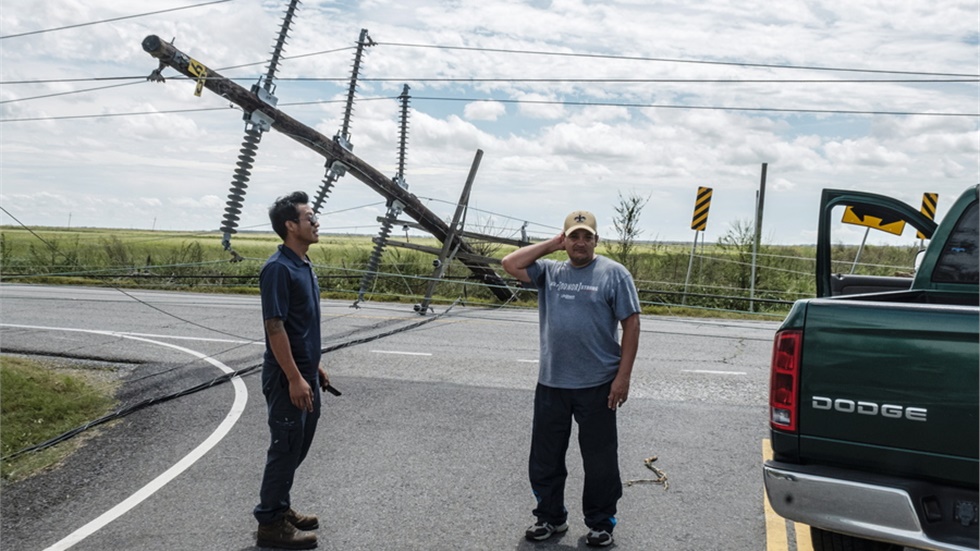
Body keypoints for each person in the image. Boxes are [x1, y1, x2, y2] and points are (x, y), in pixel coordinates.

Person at [501, 210, 641, 548]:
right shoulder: (549, 272)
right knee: (545, 458)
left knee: (600, 460)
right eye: (573, 236)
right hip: (552, 383)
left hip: (598, 385)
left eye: (587, 236)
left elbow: (632, 324)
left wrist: (623, 378)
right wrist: (551, 245)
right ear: (565, 240)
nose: (581, 243)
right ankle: (550, 518)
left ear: (596, 240)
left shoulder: (614, 274)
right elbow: (509, 263)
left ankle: (600, 523)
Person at [253, 191, 330, 550]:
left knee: (296, 446)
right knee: (284, 448)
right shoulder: (278, 269)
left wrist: (313, 366)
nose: (315, 223)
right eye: (309, 217)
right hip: (288, 378)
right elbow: (275, 328)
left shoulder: (303, 264)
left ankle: (279, 507)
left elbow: (301, 324)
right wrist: (296, 377)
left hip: (305, 373)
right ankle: (270, 523)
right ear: (290, 225)